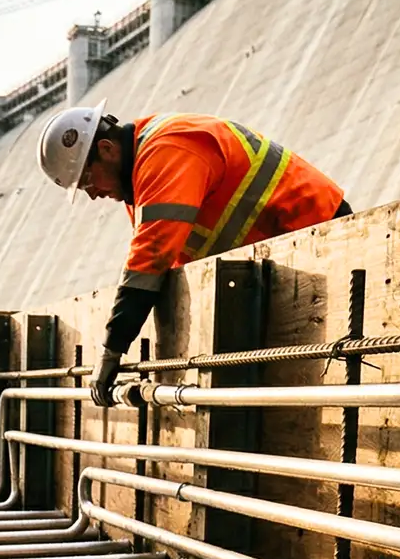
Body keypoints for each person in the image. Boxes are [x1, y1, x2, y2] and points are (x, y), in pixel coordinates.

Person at [38, 103, 350, 406]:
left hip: (323, 237)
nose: (92, 195)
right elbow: (168, 267)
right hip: (282, 267)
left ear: (107, 149)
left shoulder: (166, 153)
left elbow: (149, 261)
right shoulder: (140, 184)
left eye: (88, 181)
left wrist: (111, 351)